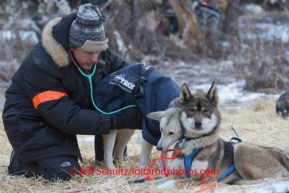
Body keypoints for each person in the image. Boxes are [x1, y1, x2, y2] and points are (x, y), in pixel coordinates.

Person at [2, 3, 142, 181]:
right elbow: (67, 117)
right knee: (65, 174)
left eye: (98, 51)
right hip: (32, 124)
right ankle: (21, 163)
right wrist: (119, 120)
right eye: (89, 52)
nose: (94, 58)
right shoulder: (41, 64)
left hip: (63, 118)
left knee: (118, 100)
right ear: (71, 47)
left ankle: (102, 156)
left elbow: (128, 76)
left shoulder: (97, 53)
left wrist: (150, 91)